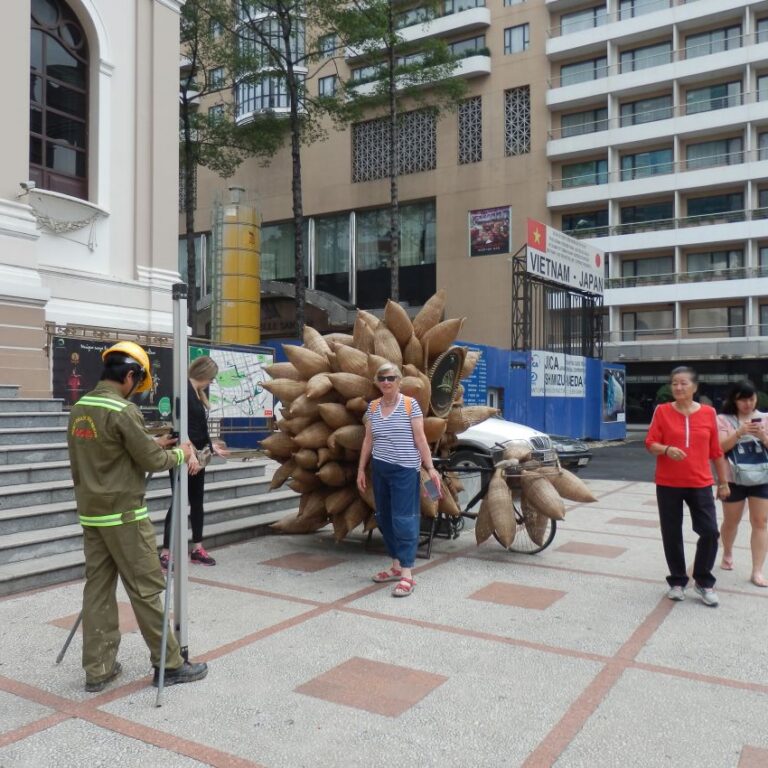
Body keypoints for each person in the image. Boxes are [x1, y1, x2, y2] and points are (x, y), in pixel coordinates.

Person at [67, 341, 208, 692]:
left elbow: (112, 449)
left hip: (93, 515)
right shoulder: (122, 410)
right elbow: (152, 461)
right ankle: (170, 664)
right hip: (125, 517)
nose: (136, 391)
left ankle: (98, 669)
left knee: (97, 591)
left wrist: (152, 441)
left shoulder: (81, 407)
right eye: (137, 383)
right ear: (129, 375)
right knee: (146, 590)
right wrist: (177, 453)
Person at [645, 366, 731, 607]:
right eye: (674, 383)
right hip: (668, 483)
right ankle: (677, 581)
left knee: (710, 532)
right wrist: (666, 449)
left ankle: (703, 581)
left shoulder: (708, 413)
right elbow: (650, 442)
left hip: (700, 482)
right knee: (671, 533)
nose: (678, 387)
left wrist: (723, 482)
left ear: (695, 386)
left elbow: (716, 451)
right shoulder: (661, 412)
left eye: (683, 383)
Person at [356, 363, 441, 598]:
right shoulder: (373, 407)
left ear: (399, 380)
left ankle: (407, 575)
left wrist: (430, 468)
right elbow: (368, 440)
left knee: (404, 520)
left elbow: (420, 438)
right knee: (384, 518)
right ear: (377, 382)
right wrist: (361, 469)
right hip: (380, 469)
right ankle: (395, 567)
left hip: (405, 470)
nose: (386, 382)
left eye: (391, 378)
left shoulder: (409, 404)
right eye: (382, 378)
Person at [160, 356, 229, 569]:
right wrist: (190, 454)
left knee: (196, 501)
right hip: (184, 454)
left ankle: (197, 548)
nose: (212, 381)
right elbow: (180, 427)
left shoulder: (198, 393)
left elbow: (201, 428)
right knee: (179, 502)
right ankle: (166, 552)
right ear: (205, 373)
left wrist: (210, 447)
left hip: (198, 454)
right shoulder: (182, 391)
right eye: (212, 377)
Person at [716, 380, 768, 587]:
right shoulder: (723, 419)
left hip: (762, 477)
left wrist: (763, 436)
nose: (748, 404)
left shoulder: (764, 418)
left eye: (751, 398)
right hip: (733, 478)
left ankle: (757, 571)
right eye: (743, 400)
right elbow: (719, 448)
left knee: (761, 522)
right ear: (734, 401)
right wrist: (739, 433)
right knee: (731, 522)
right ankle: (727, 551)